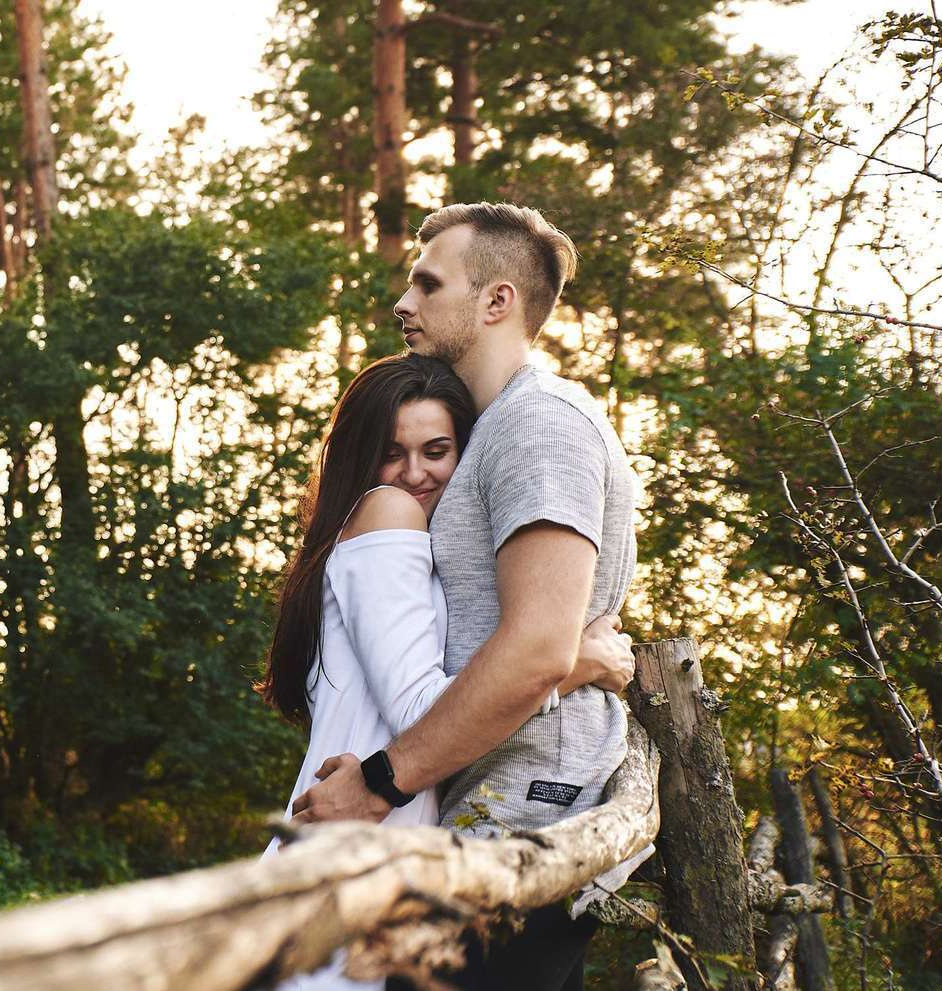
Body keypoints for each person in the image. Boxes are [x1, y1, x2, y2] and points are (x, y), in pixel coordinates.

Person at [290, 203, 643, 991]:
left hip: (520, 816)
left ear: (496, 302)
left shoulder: (539, 424)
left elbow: (538, 649)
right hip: (477, 811)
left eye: (428, 283)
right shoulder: (496, 433)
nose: (402, 303)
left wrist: (380, 781)